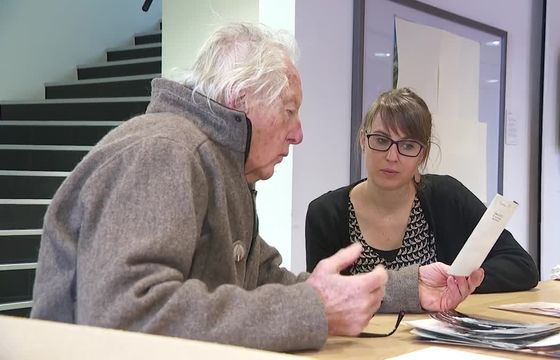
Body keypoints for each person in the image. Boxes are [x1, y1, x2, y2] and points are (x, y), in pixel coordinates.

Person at [31, 23, 482, 352]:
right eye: (289, 111)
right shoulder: (164, 153)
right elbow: (124, 315)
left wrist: (408, 287)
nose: (298, 133)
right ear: (240, 100)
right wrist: (314, 311)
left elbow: (270, 282)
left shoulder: (219, 167)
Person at [306, 87, 538, 294]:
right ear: (363, 141)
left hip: (436, 339)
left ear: (422, 154)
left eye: (408, 146)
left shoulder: (446, 197)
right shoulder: (326, 214)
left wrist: (455, 282)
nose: (391, 156)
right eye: (381, 140)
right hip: (363, 341)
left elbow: (521, 266)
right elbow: (322, 298)